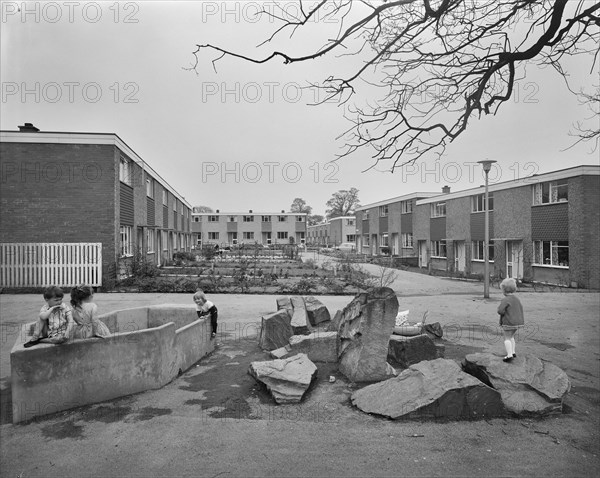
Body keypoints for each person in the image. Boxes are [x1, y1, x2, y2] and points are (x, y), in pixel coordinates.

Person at [497, 278, 525, 362]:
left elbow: (500, 311)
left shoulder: (505, 300)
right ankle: (513, 352)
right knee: (512, 337)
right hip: (517, 322)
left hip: (509, 322)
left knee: (507, 338)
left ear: (504, 290)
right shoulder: (516, 299)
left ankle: (509, 355)